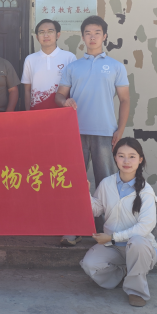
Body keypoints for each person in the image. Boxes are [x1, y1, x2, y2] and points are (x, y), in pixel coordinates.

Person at [55, 15, 130, 247]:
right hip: (75, 132)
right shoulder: (73, 67)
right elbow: (59, 95)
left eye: (97, 32)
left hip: (105, 132)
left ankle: (107, 229)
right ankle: (74, 228)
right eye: (88, 33)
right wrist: (64, 101)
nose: (92, 37)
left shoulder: (116, 66)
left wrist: (120, 129)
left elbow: (125, 100)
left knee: (106, 182)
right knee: (74, 181)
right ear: (82, 37)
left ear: (104, 36)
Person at [80, 137, 157, 307]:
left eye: (132, 156)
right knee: (90, 265)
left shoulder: (146, 191)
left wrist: (112, 237)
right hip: (113, 247)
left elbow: (146, 226)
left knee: (137, 242)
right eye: (121, 156)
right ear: (115, 158)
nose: (126, 161)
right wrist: (85, 193)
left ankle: (136, 291)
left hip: (139, 248)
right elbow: (96, 210)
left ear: (140, 159)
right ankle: (125, 272)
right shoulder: (107, 183)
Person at [22, 19, 77, 111]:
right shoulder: (30, 59)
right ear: (37, 37)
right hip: (37, 112)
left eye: (50, 31)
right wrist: (28, 113)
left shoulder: (69, 57)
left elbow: (75, 87)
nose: (46, 35)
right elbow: (27, 90)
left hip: (62, 112)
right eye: (41, 32)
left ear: (58, 35)